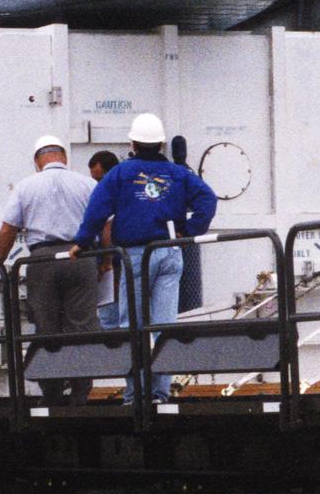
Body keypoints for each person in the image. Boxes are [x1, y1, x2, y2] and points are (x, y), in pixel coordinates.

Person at [71, 113, 217, 403]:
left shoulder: (121, 174)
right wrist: (188, 231)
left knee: (132, 325)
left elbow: (97, 210)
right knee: (164, 325)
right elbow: (208, 199)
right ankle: (160, 393)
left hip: (135, 256)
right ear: (162, 143)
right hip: (169, 252)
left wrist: (82, 242)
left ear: (133, 143)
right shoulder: (178, 173)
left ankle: (135, 393)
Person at [0, 135, 99, 405]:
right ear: (64, 157)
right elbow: (105, 223)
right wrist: (106, 261)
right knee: (81, 327)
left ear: (37, 161)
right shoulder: (87, 184)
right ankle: (81, 393)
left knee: (46, 327)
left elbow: (8, 229)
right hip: (81, 255)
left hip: (42, 260)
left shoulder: (26, 187)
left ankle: (51, 394)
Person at [86, 150, 121, 329]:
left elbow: (107, 228)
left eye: (99, 180)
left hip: (115, 256)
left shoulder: (115, 194)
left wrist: (107, 261)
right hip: (113, 254)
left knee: (110, 312)